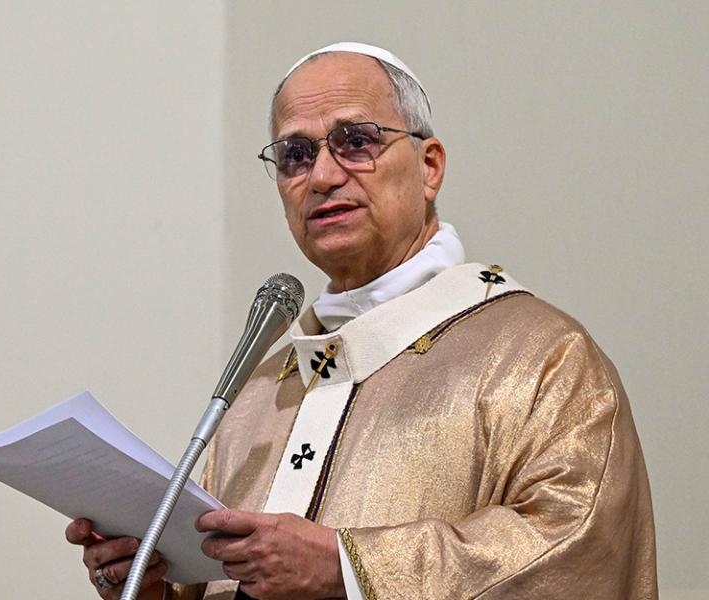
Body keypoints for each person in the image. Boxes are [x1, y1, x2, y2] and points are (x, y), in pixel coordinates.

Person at [65, 42, 657, 600]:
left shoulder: (541, 356)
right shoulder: (258, 394)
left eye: (355, 141)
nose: (321, 176)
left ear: (429, 167)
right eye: (296, 154)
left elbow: (582, 554)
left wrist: (347, 567)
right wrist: (154, 585)